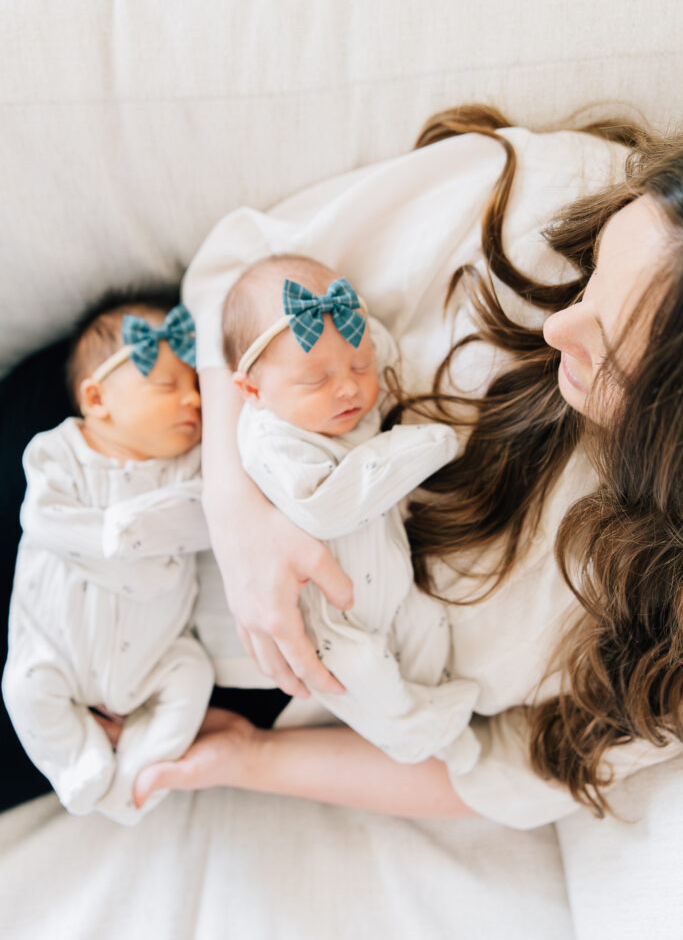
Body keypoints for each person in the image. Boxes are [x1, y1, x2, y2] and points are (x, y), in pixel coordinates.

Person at [135, 106, 682, 829]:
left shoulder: (657, 629)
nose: (556, 327)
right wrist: (235, 513)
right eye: (591, 280)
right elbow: (242, 271)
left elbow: (516, 771)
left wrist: (248, 760)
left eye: (608, 351)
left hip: (209, 685)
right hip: (140, 438)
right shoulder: (563, 191)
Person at [223, 253, 480, 768]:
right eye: (315, 380)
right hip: (331, 625)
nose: (347, 388)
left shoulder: (342, 404)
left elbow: (375, 344)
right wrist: (431, 443)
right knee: (364, 672)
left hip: (393, 588)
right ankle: (426, 735)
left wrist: (349, 331)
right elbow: (328, 506)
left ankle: (442, 714)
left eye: (359, 366)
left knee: (430, 623)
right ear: (253, 390)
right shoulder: (270, 438)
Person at [2, 291, 214, 824]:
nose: (192, 400)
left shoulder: (191, 468)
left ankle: (139, 772)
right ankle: (79, 767)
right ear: (97, 400)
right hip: (58, 648)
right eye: (168, 385)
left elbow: (202, 516)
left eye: (195, 387)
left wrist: (126, 537)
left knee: (192, 676)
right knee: (24, 688)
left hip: (153, 657)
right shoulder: (58, 452)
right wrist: (130, 543)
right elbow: (45, 520)